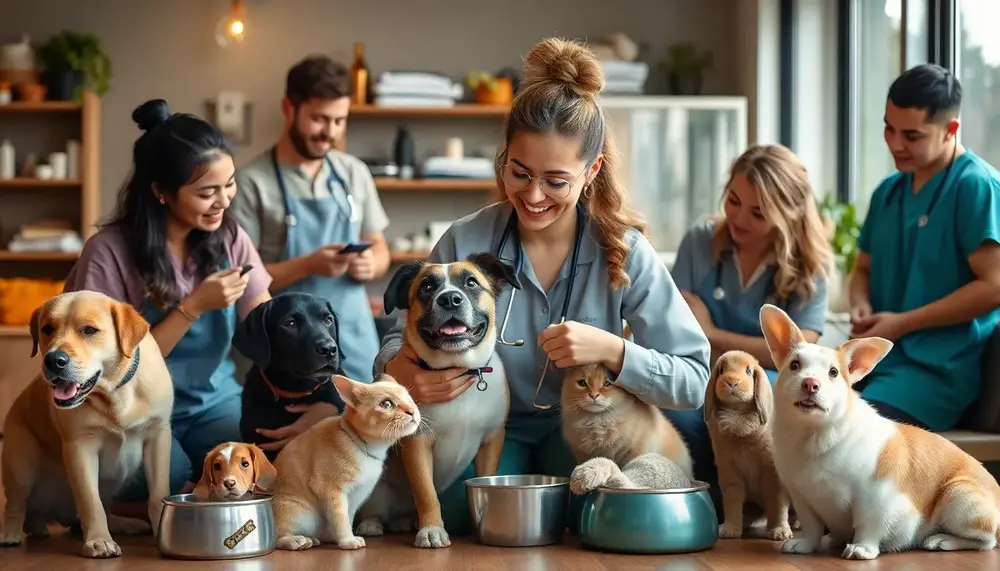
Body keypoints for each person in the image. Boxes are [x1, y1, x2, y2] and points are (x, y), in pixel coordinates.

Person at [374, 37, 711, 534]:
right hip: (483, 431)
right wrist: (400, 366)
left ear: (591, 171)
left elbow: (693, 381)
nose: (532, 196)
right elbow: (392, 339)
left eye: (556, 181)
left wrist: (613, 349)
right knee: (467, 521)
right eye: (519, 172)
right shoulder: (467, 239)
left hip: (583, 430)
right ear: (503, 157)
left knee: (593, 520)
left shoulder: (626, 252)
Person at [63, 99, 273, 499]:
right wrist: (193, 306)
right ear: (160, 191)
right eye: (207, 192)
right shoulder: (108, 253)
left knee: (247, 474)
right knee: (176, 483)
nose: (224, 201)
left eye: (229, 185)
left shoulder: (229, 237)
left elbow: (265, 322)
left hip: (213, 401)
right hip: (132, 409)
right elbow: (110, 364)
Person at [665, 143, 833, 515]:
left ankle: (767, 509)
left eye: (757, 212)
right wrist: (755, 346)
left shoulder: (810, 268)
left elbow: (799, 354)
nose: (738, 218)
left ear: (788, 215)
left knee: (756, 417)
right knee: (679, 413)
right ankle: (705, 509)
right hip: (701, 380)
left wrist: (711, 334)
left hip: (767, 388)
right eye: (733, 200)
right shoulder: (700, 242)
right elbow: (674, 328)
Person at [847, 63, 1000, 432]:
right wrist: (860, 302)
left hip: (936, 373)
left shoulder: (975, 186)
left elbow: (994, 285)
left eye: (911, 135)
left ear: (951, 130)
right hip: (876, 361)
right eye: (888, 128)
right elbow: (862, 269)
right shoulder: (888, 192)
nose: (895, 144)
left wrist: (902, 324)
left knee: (847, 433)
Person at [231, 55, 391, 386]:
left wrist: (370, 264)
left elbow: (380, 249)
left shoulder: (353, 172)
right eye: (319, 119)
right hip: (289, 351)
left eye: (339, 120)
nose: (329, 133)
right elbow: (241, 280)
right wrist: (308, 265)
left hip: (354, 341)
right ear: (289, 108)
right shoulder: (251, 182)